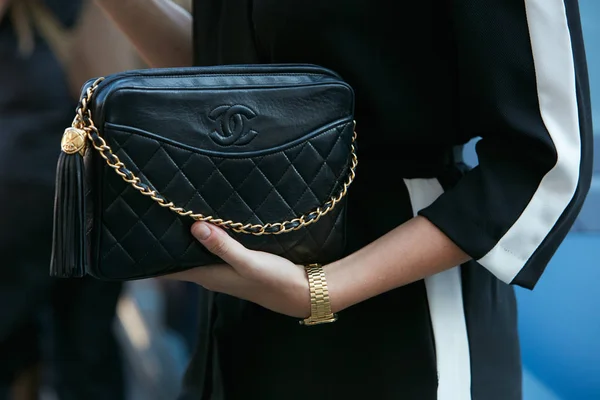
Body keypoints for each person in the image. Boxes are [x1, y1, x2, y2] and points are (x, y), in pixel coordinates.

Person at [95, 0, 593, 399]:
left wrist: (321, 290)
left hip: (404, 329)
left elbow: (544, 158)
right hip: (241, 318)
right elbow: (240, 82)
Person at [0, 1, 133, 398]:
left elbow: (120, 96)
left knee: (86, 354)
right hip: (33, 204)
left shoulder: (95, 13)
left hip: (86, 200)